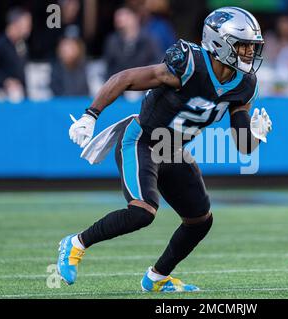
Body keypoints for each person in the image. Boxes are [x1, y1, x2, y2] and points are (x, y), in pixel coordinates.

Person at [57, 7, 272, 292]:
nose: (249, 54)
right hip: (141, 139)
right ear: (220, 42)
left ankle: (157, 277)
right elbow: (125, 78)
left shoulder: (244, 84)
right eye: (243, 46)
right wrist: (91, 114)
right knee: (142, 212)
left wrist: (256, 135)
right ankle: (75, 244)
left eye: (252, 47)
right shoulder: (189, 64)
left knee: (199, 220)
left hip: (172, 148)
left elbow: (244, 146)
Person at [0, 7, 32, 101]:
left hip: (21, 95)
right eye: (27, 25)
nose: (29, 29)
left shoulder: (21, 44)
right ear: (15, 24)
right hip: (1, 94)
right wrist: (6, 81)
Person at [103, 7, 162, 79]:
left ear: (135, 18)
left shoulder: (149, 39)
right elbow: (109, 66)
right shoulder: (112, 41)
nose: (120, 19)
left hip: (144, 82)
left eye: (125, 16)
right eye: (117, 17)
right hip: (120, 83)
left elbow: (157, 61)